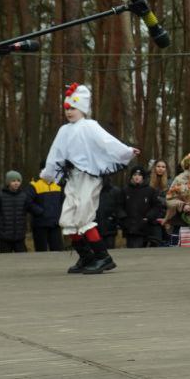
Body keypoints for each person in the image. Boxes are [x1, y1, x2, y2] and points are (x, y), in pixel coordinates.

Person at [40, 83, 139, 274]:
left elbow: (107, 142)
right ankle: (86, 257)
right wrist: (48, 174)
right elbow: (55, 154)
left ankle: (103, 258)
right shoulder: (64, 130)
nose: (69, 112)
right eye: (67, 108)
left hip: (89, 177)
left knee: (84, 215)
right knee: (68, 218)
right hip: (72, 178)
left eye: (74, 108)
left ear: (83, 109)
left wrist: (125, 151)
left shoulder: (90, 126)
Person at [123, 165, 166, 248]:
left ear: (143, 177)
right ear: (131, 177)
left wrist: (148, 217)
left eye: (139, 175)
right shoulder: (125, 190)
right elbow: (120, 206)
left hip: (146, 227)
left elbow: (157, 206)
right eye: (134, 175)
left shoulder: (150, 190)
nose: (137, 177)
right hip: (131, 227)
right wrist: (124, 219)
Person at [26, 166, 65, 252]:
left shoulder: (58, 184)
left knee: (58, 251)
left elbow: (64, 201)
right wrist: (40, 212)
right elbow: (28, 202)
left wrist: (60, 214)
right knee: (41, 251)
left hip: (55, 224)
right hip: (40, 224)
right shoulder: (34, 184)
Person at [0, 171, 30, 253]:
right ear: (8, 182)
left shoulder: (24, 196)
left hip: (20, 235)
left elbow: (26, 211)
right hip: (4, 236)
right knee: (5, 261)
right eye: (13, 181)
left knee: (23, 260)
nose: (16, 183)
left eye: (18, 181)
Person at [95, 175, 125, 249]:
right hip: (95, 227)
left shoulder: (115, 191)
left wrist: (116, 220)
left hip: (110, 227)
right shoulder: (92, 191)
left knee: (110, 250)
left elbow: (119, 208)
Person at [146, 159, 171, 245]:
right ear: (154, 168)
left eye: (163, 167)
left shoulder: (170, 183)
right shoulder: (147, 182)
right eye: (158, 166)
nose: (160, 169)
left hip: (165, 218)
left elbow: (171, 200)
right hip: (150, 218)